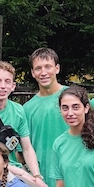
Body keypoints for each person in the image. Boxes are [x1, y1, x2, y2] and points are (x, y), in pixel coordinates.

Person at [23, 48, 68, 180]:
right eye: (38, 68)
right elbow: (24, 150)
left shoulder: (73, 97)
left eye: (48, 67)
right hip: (42, 179)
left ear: (57, 68)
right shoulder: (27, 109)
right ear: (32, 72)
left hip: (71, 175)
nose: (43, 73)